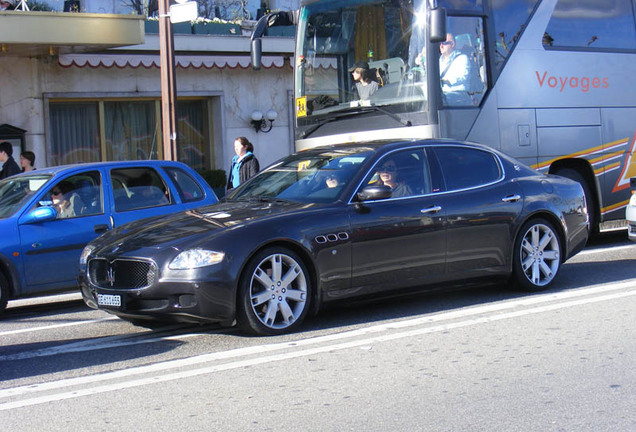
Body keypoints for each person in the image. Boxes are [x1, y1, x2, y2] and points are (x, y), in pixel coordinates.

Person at [439, 33, 472, 105]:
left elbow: (462, 76)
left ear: (452, 44)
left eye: (444, 43)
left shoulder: (462, 58)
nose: (441, 46)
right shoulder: (439, 61)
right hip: (442, 94)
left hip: (459, 95)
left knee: (439, 101)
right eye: (440, 43)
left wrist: (446, 81)